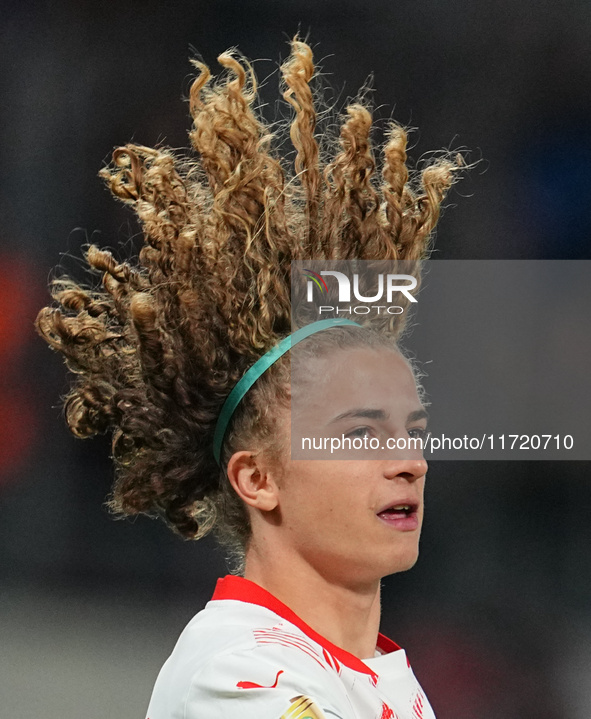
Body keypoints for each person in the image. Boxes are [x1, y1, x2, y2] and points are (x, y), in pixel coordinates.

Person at [36, 37, 464, 719]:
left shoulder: (388, 682)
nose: (408, 460)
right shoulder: (238, 669)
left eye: (413, 430)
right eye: (360, 432)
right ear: (256, 478)